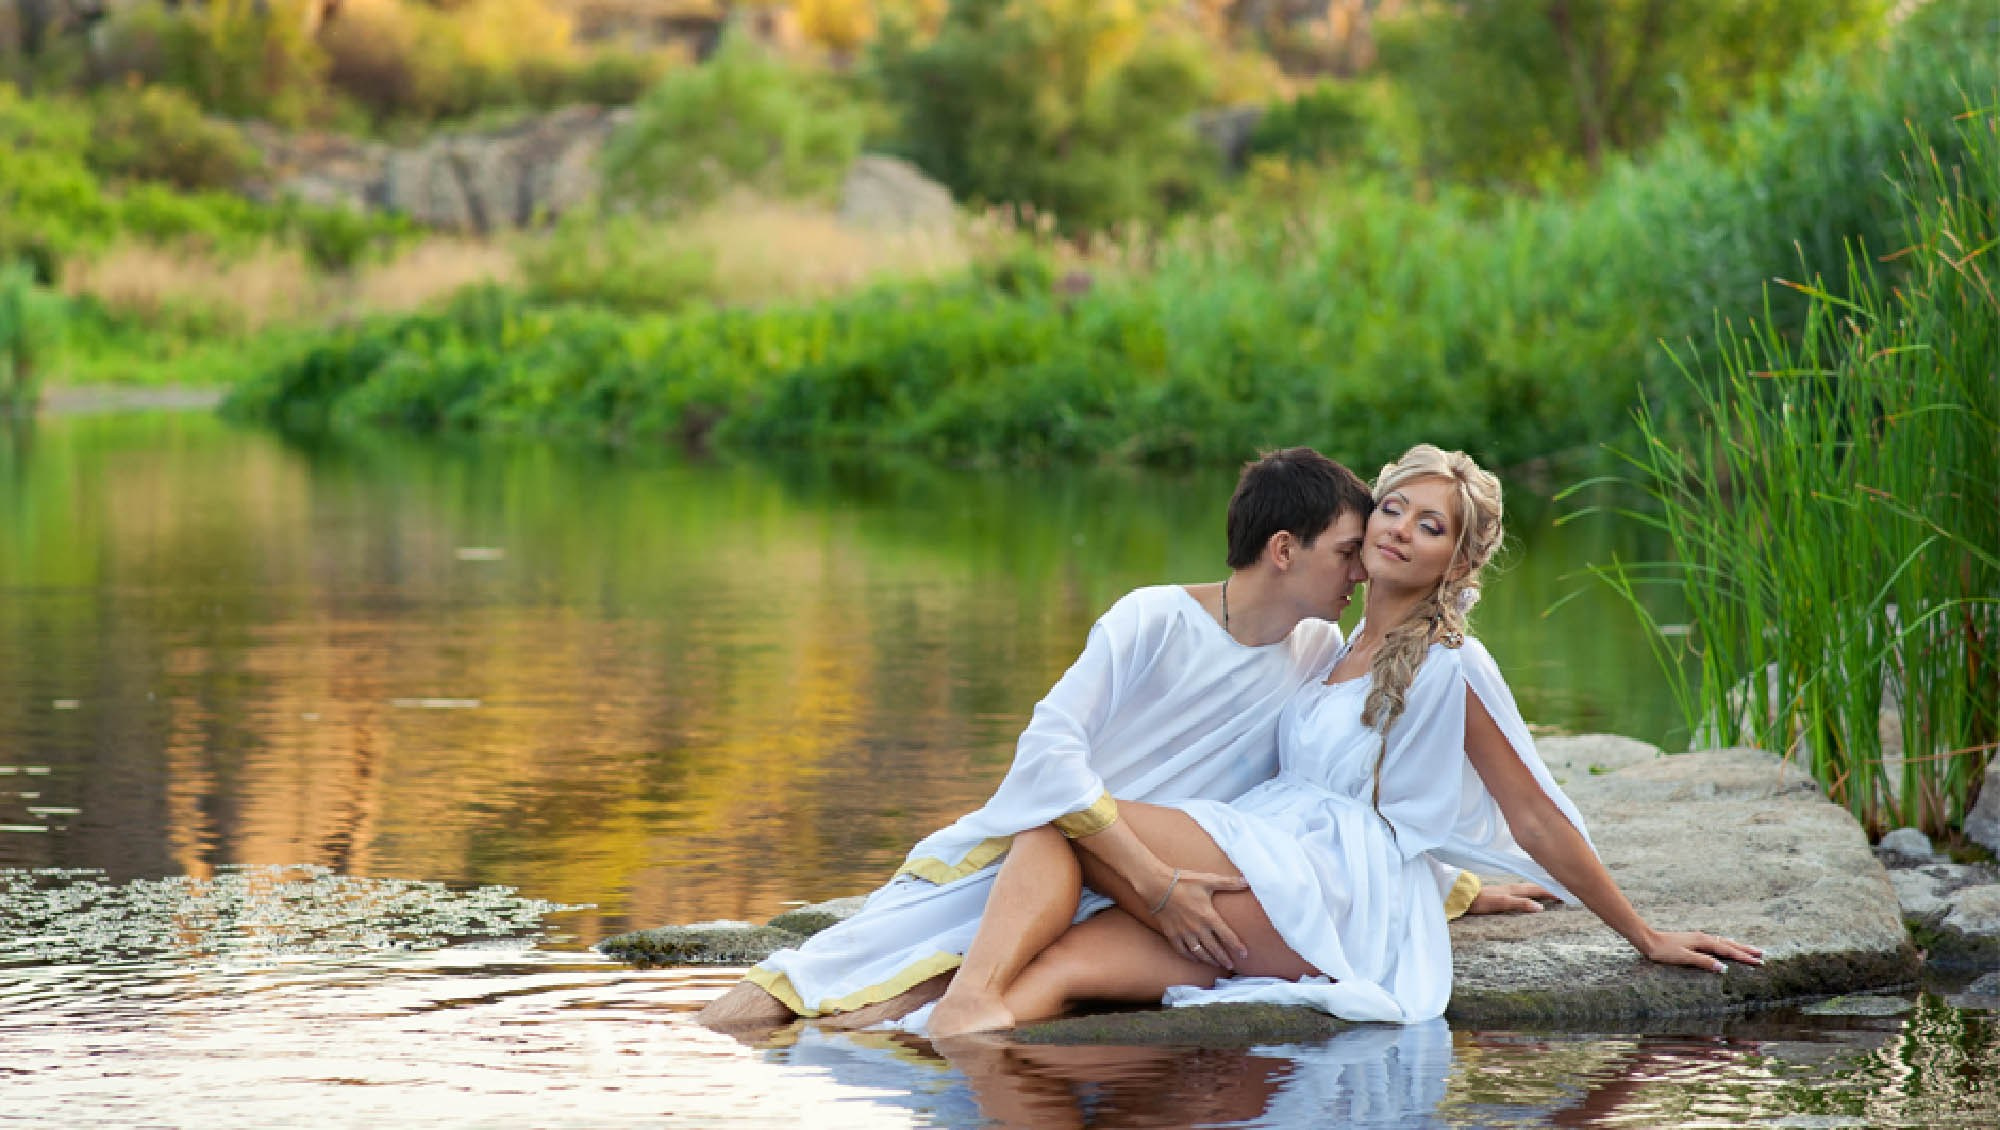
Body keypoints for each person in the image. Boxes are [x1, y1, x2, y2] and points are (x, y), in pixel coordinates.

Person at [924, 444, 1763, 1037]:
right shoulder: (1328, 648)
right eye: (1393, 507)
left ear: (1458, 564)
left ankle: (953, 1022)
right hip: (1278, 861)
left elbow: (1536, 815)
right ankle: (959, 1044)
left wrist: (1643, 934)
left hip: (1329, 888)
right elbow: (1392, 787)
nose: (1398, 528)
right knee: (1057, 971)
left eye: (1430, 527)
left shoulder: (1452, 663)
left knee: (1060, 819)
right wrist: (1460, 888)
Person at [700, 448, 1546, 1032]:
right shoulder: (1153, 619)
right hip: (1070, 853)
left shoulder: (1322, 653)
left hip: (1173, 873)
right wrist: (1150, 879)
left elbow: (1347, 791)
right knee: (847, 974)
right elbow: (1047, 753)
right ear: (1284, 550)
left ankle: (939, 1033)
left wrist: (1449, 884)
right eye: (1349, 552)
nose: (1364, 571)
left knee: (929, 992)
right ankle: (728, 1057)